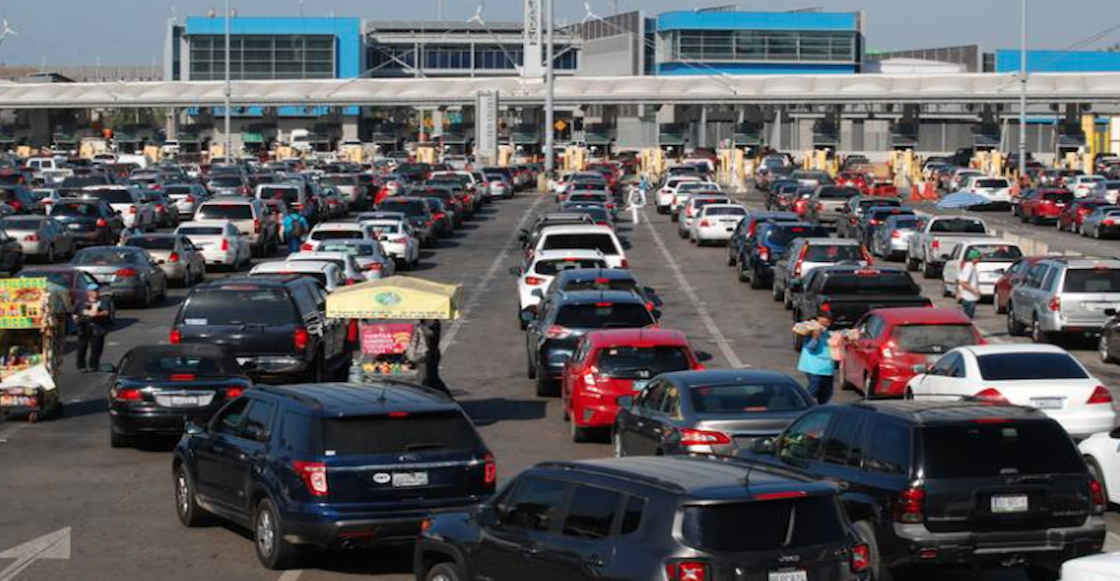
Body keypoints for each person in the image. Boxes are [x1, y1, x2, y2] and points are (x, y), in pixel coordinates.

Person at [797, 311, 836, 404]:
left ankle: (822, 410)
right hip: (814, 368)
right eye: (827, 319)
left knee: (826, 393)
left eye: (830, 320)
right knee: (813, 390)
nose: (829, 322)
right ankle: (805, 407)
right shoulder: (812, 330)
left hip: (828, 368)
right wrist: (815, 338)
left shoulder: (827, 332)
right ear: (819, 319)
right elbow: (810, 347)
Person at [75, 287, 112, 373]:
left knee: (97, 347)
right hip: (84, 327)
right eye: (93, 291)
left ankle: (93, 365)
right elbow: (75, 313)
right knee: (82, 347)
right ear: (89, 292)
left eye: (97, 291)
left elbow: (106, 312)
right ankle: (81, 365)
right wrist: (80, 317)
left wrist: (97, 314)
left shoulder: (102, 301)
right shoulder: (81, 301)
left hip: (98, 328)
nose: (96, 293)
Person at [957, 249, 982, 319]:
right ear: (974, 258)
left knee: (969, 318)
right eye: (978, 258)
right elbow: (963, 282)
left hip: (971, 297)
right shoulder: (969, 268)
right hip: (969, 298)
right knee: (968, 318)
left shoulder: (972, 267)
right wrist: (974, 290)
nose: (980, 259)